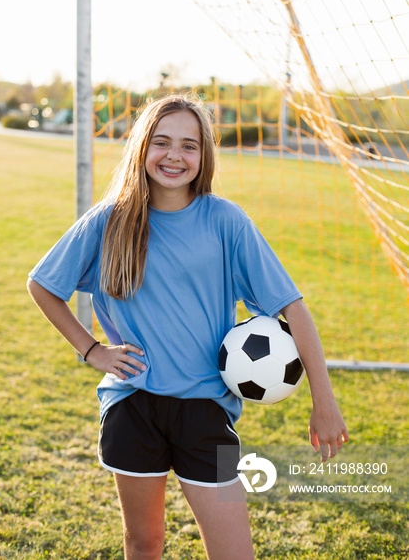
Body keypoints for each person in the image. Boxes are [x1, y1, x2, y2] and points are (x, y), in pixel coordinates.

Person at [27, 94, 348, 560]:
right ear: (141, 149)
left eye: (189, 145)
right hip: (133, 404)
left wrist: (325, 401)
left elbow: (293, 308)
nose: (174, 156)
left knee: (234, 553)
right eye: (161, 142)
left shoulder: (225, 221)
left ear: (204, 155)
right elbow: (42, 284)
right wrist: (92, 350)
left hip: (205, 410)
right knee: (144, 543)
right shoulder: (110, 221)